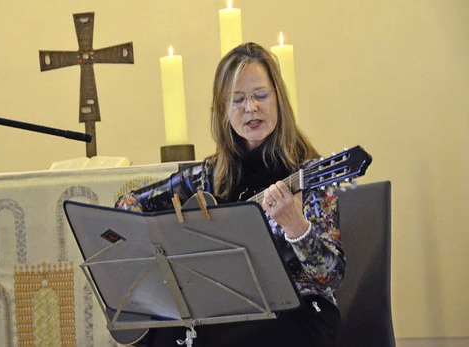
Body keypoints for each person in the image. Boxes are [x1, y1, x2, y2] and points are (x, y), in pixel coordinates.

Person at [114, 42, 345, 346]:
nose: (251, 108)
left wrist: (295, 226)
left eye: (261, 96)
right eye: (237, 100)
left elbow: (332, 277)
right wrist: (160, 243)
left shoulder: (308, 175)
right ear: (223, 110)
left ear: (278, 99)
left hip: (296, 313)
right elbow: (127, 204)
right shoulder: (208, 176)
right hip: (223, 308)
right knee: (162, 334)